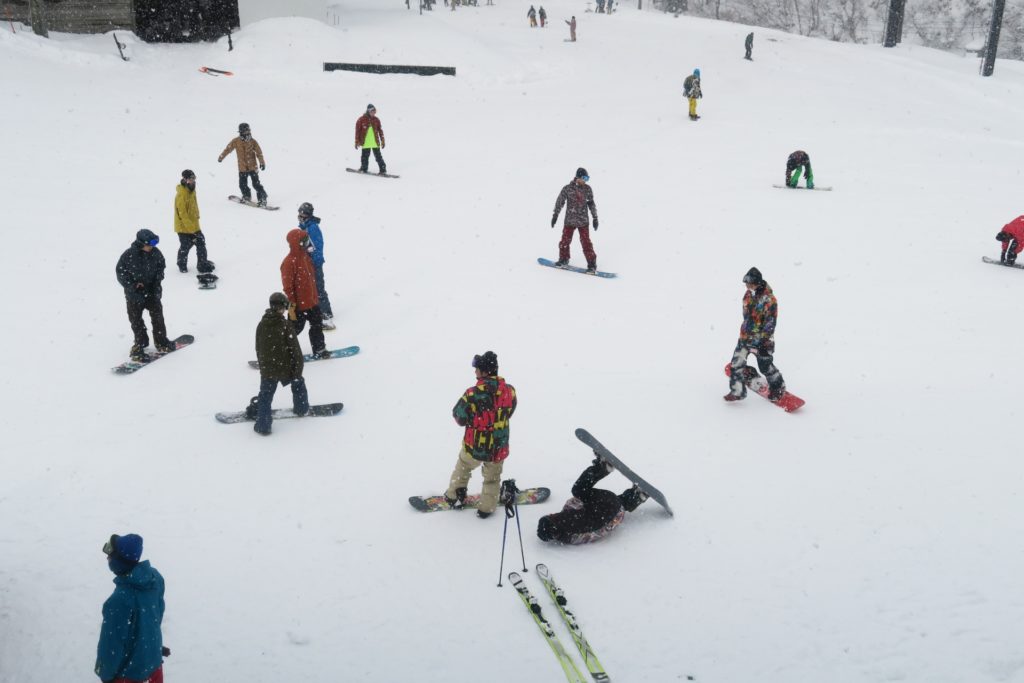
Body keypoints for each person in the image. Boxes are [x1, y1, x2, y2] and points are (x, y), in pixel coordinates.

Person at [444, 351, 518, 519]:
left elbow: (459, 417)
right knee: (492, 478)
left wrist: (475, 419)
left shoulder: (472, 394)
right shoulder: (510, 391)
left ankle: (454, 496)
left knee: (463, 467)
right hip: (498, 447)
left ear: (484, 371)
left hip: (475, 446)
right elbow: (510, 410)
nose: (475, 371)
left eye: (477, 368)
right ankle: (487, 508)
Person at [96, 533, 167, 683]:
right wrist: (152, 648)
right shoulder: (155, 578)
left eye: (110, 554)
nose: (107, 557)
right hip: (154, 667)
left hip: (130, 676)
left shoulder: (119, 601)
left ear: (118, 562)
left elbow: (111, 647)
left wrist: (105, 675)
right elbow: (155, 618)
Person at [536, 455, 648, 544]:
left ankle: (637, 496)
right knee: (578, 490)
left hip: (615, 514)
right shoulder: (567, 518)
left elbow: (595, 532)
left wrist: (614, 519)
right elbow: (575, 502)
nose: (552, 514)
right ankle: (602, 467)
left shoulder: (570, 536)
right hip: (607, 505)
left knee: (615, 506)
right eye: (551, 516)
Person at [246, 292, 309, 435]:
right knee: (298, 384)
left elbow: (258, 347)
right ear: (282, 307)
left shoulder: (261, 325)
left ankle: (263, 425)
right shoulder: (285, 325)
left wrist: (264, 367)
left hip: (268, 368)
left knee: (265, 397)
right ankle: (301, 409)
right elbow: (296, 350)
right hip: (285, 367)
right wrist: (297, 371)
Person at [725, 267, 786, 402]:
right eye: (746, 284)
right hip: (746, 337)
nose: (747, 287)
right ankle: (737, 392)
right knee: (736, 364)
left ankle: (778, 388)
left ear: (757, 283)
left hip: (762, 340)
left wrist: (763, 341)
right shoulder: (748, 295)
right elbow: (747, 316)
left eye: (750, 284)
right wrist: (746, 331)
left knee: (766, 366)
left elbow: (770, 323)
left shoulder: (769, 300)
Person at [116, 229, 174, 361]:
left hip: (152, 291)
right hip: (134, 295)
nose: (152, 247)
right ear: (141, 243)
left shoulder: (156, 253)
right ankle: (139, 346)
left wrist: (157, 282)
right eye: (150, 244)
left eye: (154, 244)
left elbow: (161, 267)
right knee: (136, 321)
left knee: (158, 317)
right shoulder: (128, 255)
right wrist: (133, 285)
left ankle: (161, 341)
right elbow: (120, 273)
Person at [281, 228, 328, 358]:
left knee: (317, 325)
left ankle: (319, 349)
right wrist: (293, 306)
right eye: (305, 241)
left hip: (312, 302)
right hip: (297, 305)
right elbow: (288, 288)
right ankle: (282, 352)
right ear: (298, 243)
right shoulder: (288, 262)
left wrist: (315, 298)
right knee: (293, 330)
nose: (308, 243)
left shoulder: (306, 258)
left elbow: (311, 280)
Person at [551, 167, 599, 273]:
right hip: (570, 220)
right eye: (584, 178)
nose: (585, 181)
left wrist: (595, 217)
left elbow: (591, 204)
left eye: (587, 178)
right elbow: (560, 201)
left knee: (586, 243)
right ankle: (564, 259)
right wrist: (555, 215)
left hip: (583, 221)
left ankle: (592, 264)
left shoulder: (587, 189)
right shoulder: (568, 189)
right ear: (578, 177)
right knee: (564, 241)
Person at [298, 202, 335, 331]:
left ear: (309, 215)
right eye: (300, 213)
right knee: (311, 288)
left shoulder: (312, 228)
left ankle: (326, 312)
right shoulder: (303, 227)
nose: (301, 216)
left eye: (304, 214)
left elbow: (317, 246)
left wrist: (313, 261)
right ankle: (317, 309)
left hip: (314, 263)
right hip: (307, 263)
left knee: (318, 288)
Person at [173, 169, 214, 275]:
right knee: (185, 246)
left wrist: (197, 215)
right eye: (190, 179)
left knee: (201, 242)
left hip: (194, 225)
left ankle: (202, 265)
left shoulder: (192, 190)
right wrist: (192, 230)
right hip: (183, 227)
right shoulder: (181, 195)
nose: (193, 181)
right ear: (185, 179)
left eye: (194, 178)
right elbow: (182, 215)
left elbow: (194, 204)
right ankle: (181, 265)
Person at [217, 122, 268, 206]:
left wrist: (262, 163)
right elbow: (228, 149)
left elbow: (259, 153)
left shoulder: (253, 141)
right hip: (242, 168)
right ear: (241, 132)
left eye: (248, 131)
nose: (247, 133)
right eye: (245, 131)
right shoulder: (236, 141)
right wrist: (221, 157)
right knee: (242, 185)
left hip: (252, 167)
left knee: (256, 184)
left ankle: (262, 198)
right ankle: (246, 196)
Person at [354, 104, 387, 175]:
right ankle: (364, 168)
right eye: (372, 111)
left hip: (375, 142)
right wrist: (357, 141)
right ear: (368, 111)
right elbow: (357, 131)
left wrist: (382, 140)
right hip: (365, 142)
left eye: (374, 111)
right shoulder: (361, 119)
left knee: (378, 157)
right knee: (364, 157)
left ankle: (383, 170)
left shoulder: (376, 120)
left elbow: (380, 131)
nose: (373, 113)